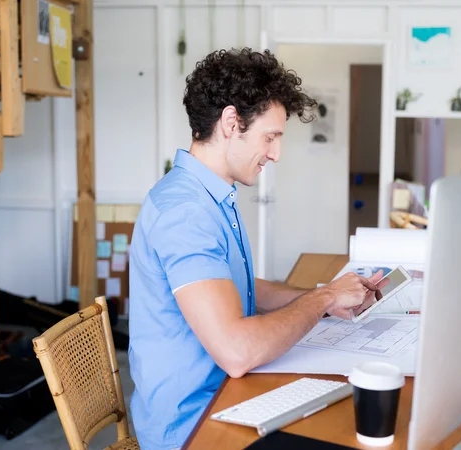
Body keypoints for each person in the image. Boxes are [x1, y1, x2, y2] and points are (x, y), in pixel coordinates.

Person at [128, 47, 385, 450]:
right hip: (193, 427)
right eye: (270, 137)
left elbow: (241, 287)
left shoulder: (209, 195)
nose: (275, 154)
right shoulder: (184, 212)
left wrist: (324, 300)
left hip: (227, 398)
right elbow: (236, 351)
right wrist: (324, 297)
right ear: (231, 123)